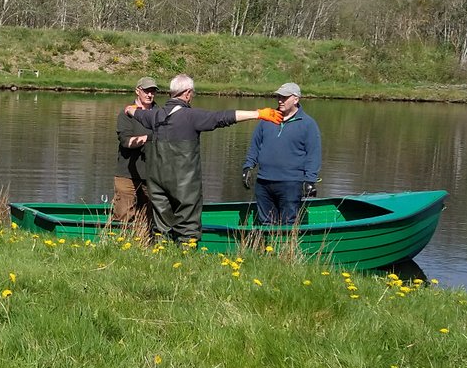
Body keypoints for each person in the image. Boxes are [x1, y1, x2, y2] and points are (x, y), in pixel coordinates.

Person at [124, 73, 279, 242]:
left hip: (157, 182)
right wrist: (257, 113)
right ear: (188, 93)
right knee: (188, 224)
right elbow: (222, 117)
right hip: (184, 183)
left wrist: (130, 110)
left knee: (162, 225)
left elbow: (136, 114)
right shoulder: (191, 116)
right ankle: (186, 253)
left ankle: (162, 254)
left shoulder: (155, 116)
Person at [242, 81, 321, 224]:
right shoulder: (268, 119)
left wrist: (310, 180)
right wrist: (248, 167)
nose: (280, 100)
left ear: (296, 99)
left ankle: (287, 247)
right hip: (264, 181)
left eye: (284, 97)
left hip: (291, 183)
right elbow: (255, 145)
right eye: (278, 96)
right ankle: (266, 246)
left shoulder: (308, 124)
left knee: (288, 223)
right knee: (266, 223)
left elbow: (313, 154)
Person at [112, 76, 158, 239]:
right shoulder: (126, 114)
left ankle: (144, 248)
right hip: (127, 175)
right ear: (137, 91)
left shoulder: (160, 115)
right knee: (123, 215)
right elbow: (125, 141)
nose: (150, 94)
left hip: (153, 176)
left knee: (149, 217)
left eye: (152, 91)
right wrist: (148, 139)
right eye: (146, 91)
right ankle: (118, 246)